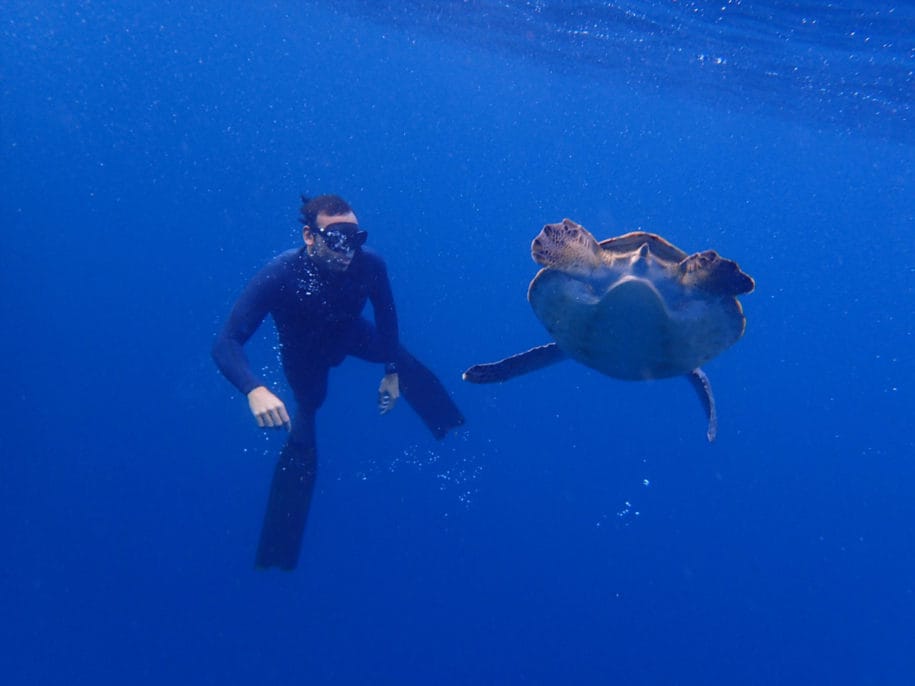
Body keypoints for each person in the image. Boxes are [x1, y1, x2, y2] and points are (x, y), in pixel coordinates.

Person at [212, 194, 464, 570]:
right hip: (304, 357)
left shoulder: (370, 265)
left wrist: (392, 373)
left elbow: (387, 317)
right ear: (310, 237)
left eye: (356, 238)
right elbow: (226, 341)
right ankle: (282, 540)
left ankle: (452, 428)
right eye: (337, 239)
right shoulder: (280, 275)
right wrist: (254, 389)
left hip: (351, 334)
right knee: (311, 405)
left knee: (396, 352)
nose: (349, 251)